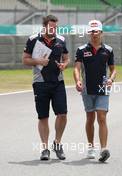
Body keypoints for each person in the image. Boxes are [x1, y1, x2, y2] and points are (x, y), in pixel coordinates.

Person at [22, 15, 69, 160]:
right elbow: (25, 60)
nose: (54, 30)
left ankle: (57, 143)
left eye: (56, 27)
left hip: (58, 83)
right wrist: (38, 61)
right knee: (43, 117)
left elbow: (66, 58)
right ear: (44, 26)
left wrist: (64, 65)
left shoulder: (61, 40)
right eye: (51, 27)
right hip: (40, 83)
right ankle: (44, 148)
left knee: (62, 114)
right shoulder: (33, 39)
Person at [73, 20, 117, 162]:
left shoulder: (108, 50)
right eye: (91, 31)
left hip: (102, 88)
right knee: (90, 118)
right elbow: (77, 68)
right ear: (88, 33)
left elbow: (113, 69)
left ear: (101, 32)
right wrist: (78, 80)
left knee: (102, 117)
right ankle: (91, 147)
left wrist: (111, 79)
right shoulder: (81, 50)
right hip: (87, 89)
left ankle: (104, 149)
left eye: (96, 31)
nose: (94, 34)